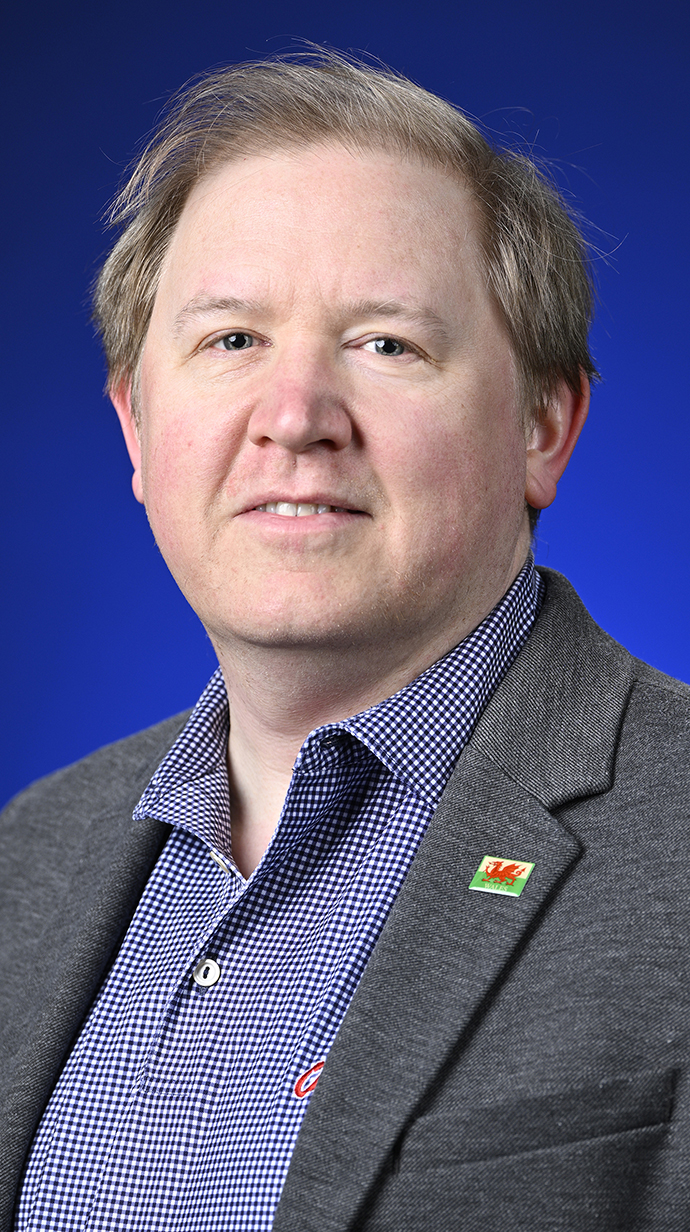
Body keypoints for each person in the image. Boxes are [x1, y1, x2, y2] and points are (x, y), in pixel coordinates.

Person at [1, 51, 689, 1232]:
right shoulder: (31, 853)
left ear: (543, 424)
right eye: (230, 341)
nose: (295, 417)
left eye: (385, 344)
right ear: (134, 421)